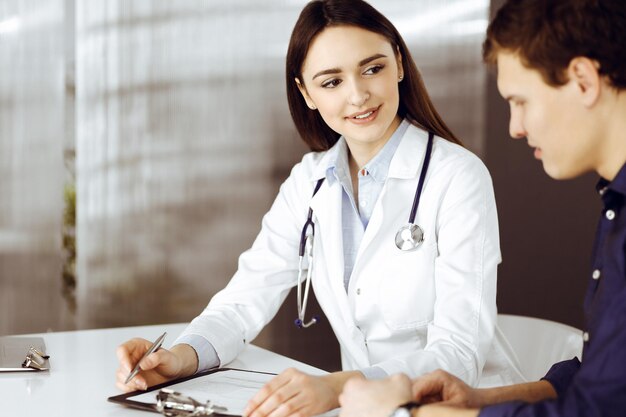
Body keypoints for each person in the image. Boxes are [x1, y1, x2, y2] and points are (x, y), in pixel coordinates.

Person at [115, 1, 522, 416]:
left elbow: (459, 353)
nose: (358, 94)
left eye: (373, 69)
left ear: (399, 63)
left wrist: (339, 387)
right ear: (306, 93)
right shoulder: (309, 182)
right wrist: (180, 358)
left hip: (463, 409)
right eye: (331, 82)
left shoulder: (458, 177)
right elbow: (243, 301)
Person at [337, 0, 626, 416]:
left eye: (521, 101)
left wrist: (408, 413)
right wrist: (480, 400)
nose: (515, 126)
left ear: (582, 80)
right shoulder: (616, 206)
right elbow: (602, 380)